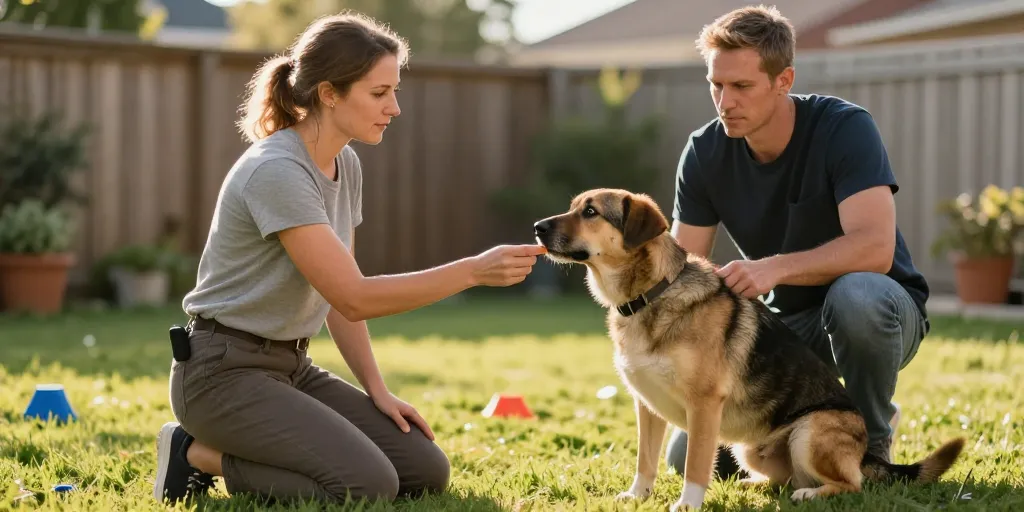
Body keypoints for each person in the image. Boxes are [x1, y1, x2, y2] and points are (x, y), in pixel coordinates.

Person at [152, 12, 546, 506]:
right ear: (329, 93)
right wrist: (471, 271)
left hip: (290, 366)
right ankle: (193, 453)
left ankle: (228, 450)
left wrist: (377, 390)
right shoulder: (277, 171)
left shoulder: (346, 163)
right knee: (367, 485)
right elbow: (355, 298)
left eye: (394, 91)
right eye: (379, 93)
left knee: (423, 469)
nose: (395, 108)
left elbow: (338, 297)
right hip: (221, 373)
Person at [664, 5, 930, 480]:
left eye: (741, 86)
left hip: (881, 312)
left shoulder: (843, 128)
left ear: (783, 80)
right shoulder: (704, 152)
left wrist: (774, 268)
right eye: (716, 84)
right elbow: (678, 270)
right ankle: (815, 424)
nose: (725, 101)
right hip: (788, 331)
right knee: (687, 458)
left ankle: (872, 436)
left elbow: (874, 248)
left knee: (857, 298)